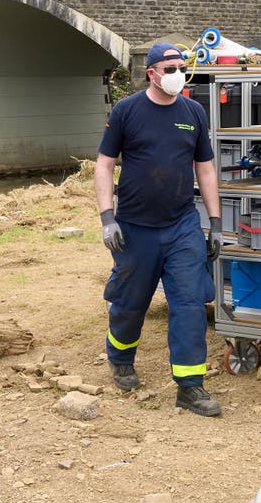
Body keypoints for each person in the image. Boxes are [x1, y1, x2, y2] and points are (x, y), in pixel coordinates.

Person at [94, 42, 224, 417]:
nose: (177, 74)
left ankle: (190, 386)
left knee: (189, 303)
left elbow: (206, 169)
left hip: (182, 225)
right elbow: (104, 166)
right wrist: (107, 218)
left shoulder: (193, 112)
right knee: (131, 301)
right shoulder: (126, 111)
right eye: (170, 68)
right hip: (135, 227)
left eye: (181, 67)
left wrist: (214, 224)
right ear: (151, 73)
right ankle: (120, 357)